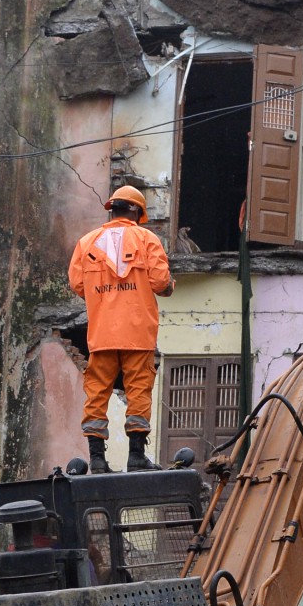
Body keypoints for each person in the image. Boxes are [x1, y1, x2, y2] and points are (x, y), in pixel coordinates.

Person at [68, 185, 173, 474]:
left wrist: (103, 292)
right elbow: (161, 283)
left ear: (112, 210)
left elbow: (78, 285)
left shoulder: (86, 242)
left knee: (97, 393)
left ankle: (97, 460)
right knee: (138, 389)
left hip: (101, 334)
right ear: (137, 211)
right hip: (138, 333)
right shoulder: (146, 239)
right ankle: (136, 456)